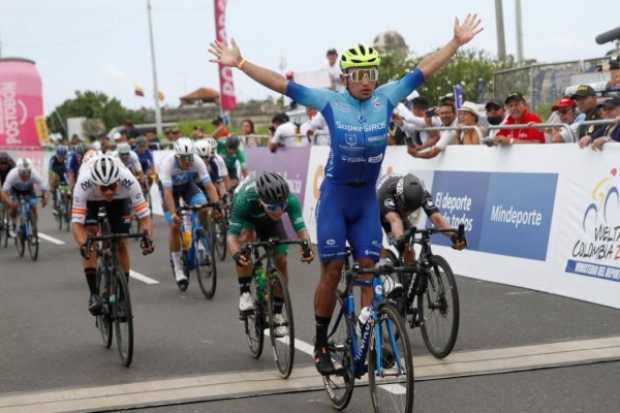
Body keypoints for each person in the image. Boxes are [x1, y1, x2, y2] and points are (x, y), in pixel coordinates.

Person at [208, 13, 482, 375]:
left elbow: (422, 70)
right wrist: (240, 63)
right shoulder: (330, 102)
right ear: (347, 77)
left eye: (372, 74)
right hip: (336, 199)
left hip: (365, 200)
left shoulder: (386, 97)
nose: (367, 82)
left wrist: (456, 44)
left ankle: (366, 338)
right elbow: (281, 84)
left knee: (368, 271)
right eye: (359, 75)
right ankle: (321, 342)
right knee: (334, 270)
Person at [71, 155, 154, 315]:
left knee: (121, 241)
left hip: (120, 201)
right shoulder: (83, 184)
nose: (108, 192)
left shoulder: (128, 180)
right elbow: (76, 224)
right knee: (90, 239)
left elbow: (145, 218)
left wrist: (147, 237)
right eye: (103, 188)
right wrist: (83, 244)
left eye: (112, 186)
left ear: (118, 180)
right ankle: (94, 294)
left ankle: (123, 298)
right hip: (92, 202)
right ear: (95, 183)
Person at [228, 173, 314, 325]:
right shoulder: (244, 200)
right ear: (261, 201)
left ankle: (276, 312)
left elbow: (301, 229)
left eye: (282, 206)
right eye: (273, 207)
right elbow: (231, 237)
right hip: (249, 217)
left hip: (269, 222)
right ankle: (245, 292)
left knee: (281, 260)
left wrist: (306, 246)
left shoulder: (289, 200)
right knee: (245, 244)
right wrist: (236, 254)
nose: (279, 211)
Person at [159, 137, 220, 290]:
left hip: (187, 187)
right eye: (184, 159)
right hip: (170, 191)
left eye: (189, 158)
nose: (187, 162)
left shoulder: (197, 161)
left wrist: (217, 206)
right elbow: (167, 192)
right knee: (174, 226)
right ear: (177, 156)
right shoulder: (168, 163)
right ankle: (178, 267)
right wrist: (173, 213)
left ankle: (201, 237)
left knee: (204, 208)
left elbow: (209, 186)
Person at [378, 174, 465, 264]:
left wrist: (453, 235)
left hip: (397, 216)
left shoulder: (422, 194)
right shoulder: (387, 193)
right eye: (406, 207)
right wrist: (401, 239)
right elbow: (395, 220)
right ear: (399, 196)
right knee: (377, 247)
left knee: (409, 252)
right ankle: (378, 270)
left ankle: (407, 274)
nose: (408, 211)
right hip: (378, 212)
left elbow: (436, 218)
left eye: (413, 208)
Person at [1, 158, 48, 230]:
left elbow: (43, 186)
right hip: (15, 190)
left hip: (29, 190)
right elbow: (4, 191)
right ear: (18, 171)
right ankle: (14, 223)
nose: (25, 176)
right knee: (14, 207)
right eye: (23, 173)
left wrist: (45, 198)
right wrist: (9, 202)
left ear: (30, 171)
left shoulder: (34, 173)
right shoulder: (12, 174)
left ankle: (34, 227)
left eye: (27, 173)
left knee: (33, 207)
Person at [48, 145, 69, 210]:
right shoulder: (52, 159)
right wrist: (51, 185)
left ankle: (66, 203)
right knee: (53, 182)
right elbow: (50, 171)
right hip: (55, 175)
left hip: (63, 175)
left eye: (62, 156)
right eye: (59, 156)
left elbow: (69, 171)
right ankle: (55, 201)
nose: (61, 158)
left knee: (67, 189)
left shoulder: (67, 160)